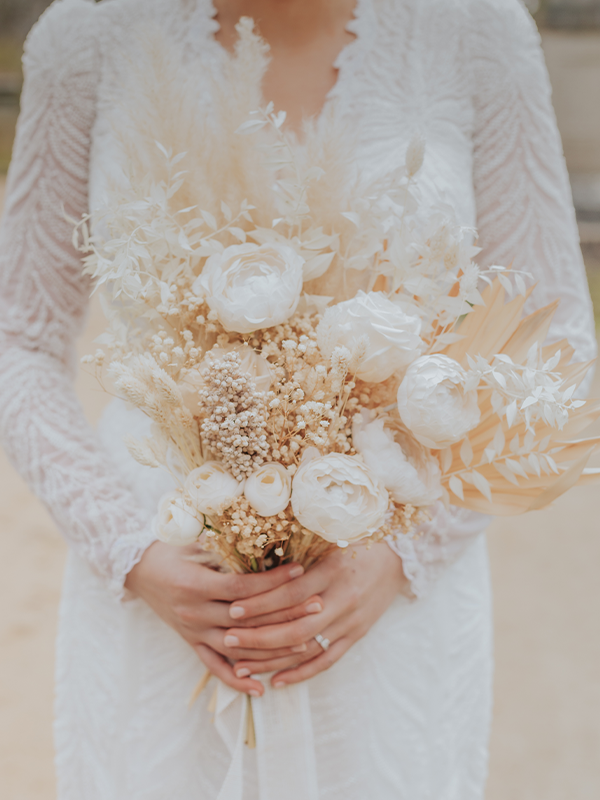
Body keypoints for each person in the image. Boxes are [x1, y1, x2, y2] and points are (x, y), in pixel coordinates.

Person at [0, 0, 595, 798]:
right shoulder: (88, 37)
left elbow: (556, 344)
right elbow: (18, 338)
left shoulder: (478, 31)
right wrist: (129, 553)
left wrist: (401, 552)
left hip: (387, 611)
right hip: (164, 585)